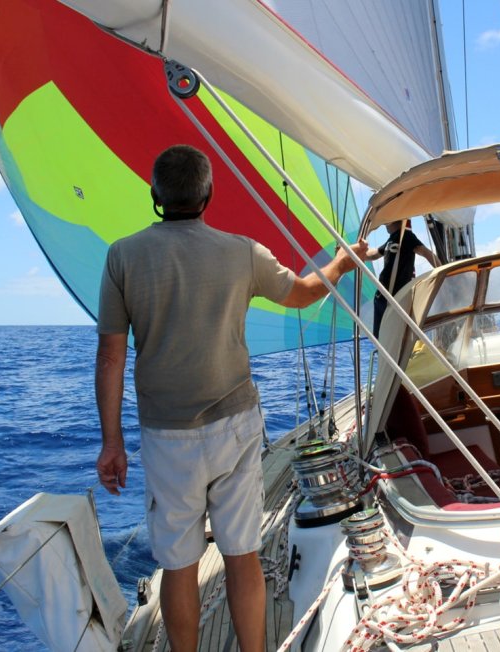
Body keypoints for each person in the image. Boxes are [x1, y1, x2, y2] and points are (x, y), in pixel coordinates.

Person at [94, 144, 367, 652]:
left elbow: (110, 356)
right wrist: (342, 265)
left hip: (166, 435)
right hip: (235, 424)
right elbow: (305, 291)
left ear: (155, 193)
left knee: (178, 564)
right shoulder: (243, 252)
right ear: (208, 194)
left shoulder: (123, 257)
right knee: (242, 554)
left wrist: (112, 444)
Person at [365, 220, 439, 336]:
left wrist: (443, 271)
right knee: (380, 336)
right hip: (382, 296)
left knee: (394, 335)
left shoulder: (407, 236)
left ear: (391, 221)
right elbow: (375, 254)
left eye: (386, 222)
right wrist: (351, 253)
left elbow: (425, 252)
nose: (384, 226)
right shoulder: (392, 239)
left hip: (396, 297)